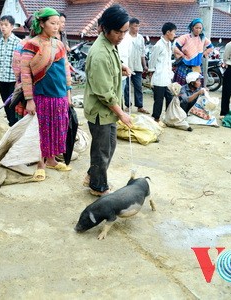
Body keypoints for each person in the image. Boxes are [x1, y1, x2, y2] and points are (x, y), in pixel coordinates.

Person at [83, 5, 132, 196]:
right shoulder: (100, 54)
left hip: (108, 112)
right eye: (118, 32)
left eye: (125, 32)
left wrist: (121, 67)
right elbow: (104, 92)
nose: (122, 36)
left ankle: (92, 175)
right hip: (100, 111)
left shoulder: (109, 45)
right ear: (106, 28)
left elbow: (111, 65)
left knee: (109, 147)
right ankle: (98, 187)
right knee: (102, 151)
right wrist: (122, 114)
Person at [21, 7, 72, 181]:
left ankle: (51, 160)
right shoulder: (31, 44)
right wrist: (29, 99)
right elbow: (26, 74)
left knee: (57, 128)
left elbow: (66, 69)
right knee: (41, 130)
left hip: (59, 94)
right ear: (42, 23)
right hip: (41, 95)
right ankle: (40, 163)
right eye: (52, 23)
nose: (56, 26)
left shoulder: (59, 44)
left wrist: (68, 92)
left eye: (58, 23)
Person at [0, 15, 21, 127]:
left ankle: (15, 126)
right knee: (5, 104)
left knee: (13, 105)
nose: (3, 27)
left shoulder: (18, 42)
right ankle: (11, 125)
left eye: (6, 25)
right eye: (1, 25)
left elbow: (21, 62)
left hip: (14, 80)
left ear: (12, 27)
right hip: (1, 78)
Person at [148, 22, 177, 122]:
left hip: (167, 76)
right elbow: (152, 61)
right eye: (174, 32)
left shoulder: (169, 43)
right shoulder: (159, 45)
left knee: (170, 97)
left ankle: (169, 117)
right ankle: (156, 118)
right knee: (159, 100)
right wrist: (151, 73)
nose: (174, 34)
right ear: (168, 32)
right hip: (159, 77)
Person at [173, 18, 213, 86]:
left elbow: (211, 47)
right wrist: (181, 54)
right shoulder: (185, 37)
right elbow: (174, 47)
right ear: (192, 28)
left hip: (197, 66)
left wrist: (204, 53)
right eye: (196, 28)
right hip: (185, 65)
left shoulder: (203, 38)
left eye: (200, 28)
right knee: (182, 86)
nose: (198, 30)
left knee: (196, 85)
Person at [124, 18, 149, 114]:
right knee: (126, 87)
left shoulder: (141, 38)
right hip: (127, 65)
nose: (137, 28)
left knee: (138, 86)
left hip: (138, 66)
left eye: (138, 26)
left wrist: (145, 65)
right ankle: (127, 105)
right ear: (130, 26)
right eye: (135, 26)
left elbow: (142, 53)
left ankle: (140, 106)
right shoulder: (125, 37)